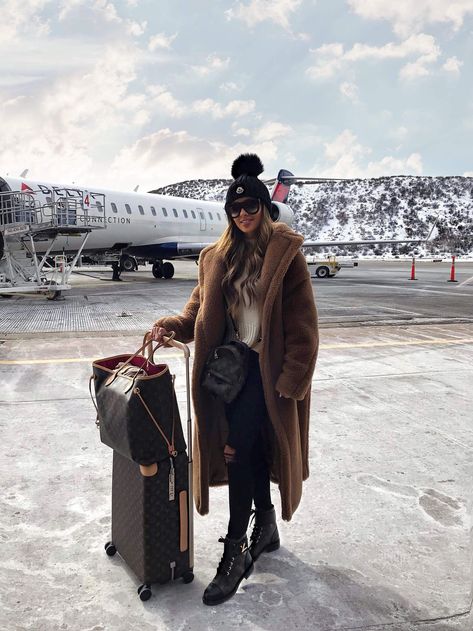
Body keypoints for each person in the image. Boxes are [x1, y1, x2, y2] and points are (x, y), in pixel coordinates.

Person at [151, 153, 319, 606]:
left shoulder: (285, 256)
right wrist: (173, 325)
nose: (242, 215)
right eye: (235, 209)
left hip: (267, 373)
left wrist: (292, 379)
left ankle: (236, 550)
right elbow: (197, 313)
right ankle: (264, 527)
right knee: (249, 452)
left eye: (251, 207)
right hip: (228, 373)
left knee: (238, 450)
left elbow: (304, 327)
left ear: (265, 208)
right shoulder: (216, 257)